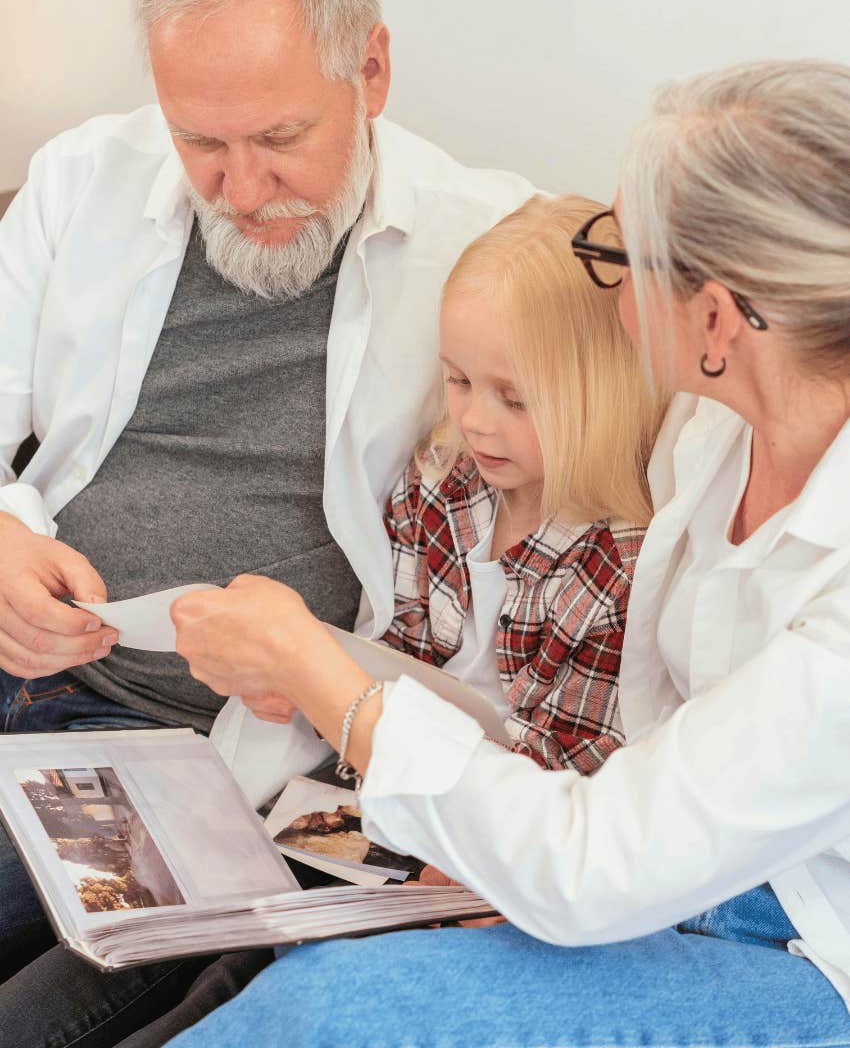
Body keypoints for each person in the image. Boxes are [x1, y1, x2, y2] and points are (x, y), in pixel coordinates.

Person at [165, 59, 850, 1047]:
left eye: (623, 258)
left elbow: (593, 867)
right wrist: (500, 850)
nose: (608, 290)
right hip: (689, 866)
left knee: (333, 1011)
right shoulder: (711, 434)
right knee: (317, 963)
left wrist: (323, 679)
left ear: (714, 317)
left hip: (809, 948)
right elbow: (636, 788)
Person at [0, 0, 534, 1043]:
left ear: (372, 71)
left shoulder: (490, 252)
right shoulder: (82, 178)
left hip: (188, 751)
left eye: (282, 140)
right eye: (200, 141)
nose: (242, 193)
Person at [376, 194, 664, 772]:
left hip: (520, 814)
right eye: (458, 380)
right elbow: (396, 647)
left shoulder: (622, 566)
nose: (474, 420)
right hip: (394, 766)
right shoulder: (437, 478)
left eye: (514, 399)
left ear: (601, 399)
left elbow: (572, 761)